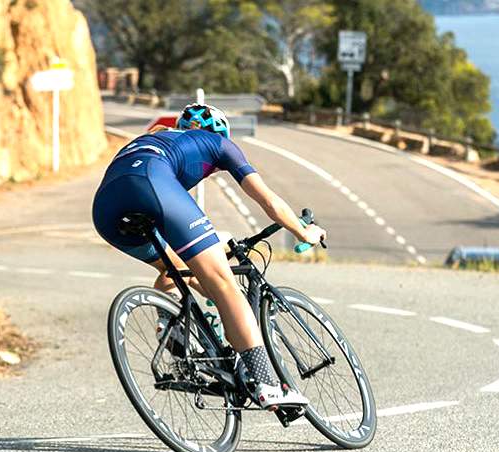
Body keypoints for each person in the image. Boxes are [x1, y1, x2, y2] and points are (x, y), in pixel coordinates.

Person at [92, 104, 326, 409]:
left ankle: (170, 323)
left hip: (106, 209)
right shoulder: (219, 144)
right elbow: (269, 201)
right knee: (224, 284)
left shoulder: (159, 140)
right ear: (219, 132)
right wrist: (303, 232)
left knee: (176, 271)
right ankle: (268, 385)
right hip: (152, 184)